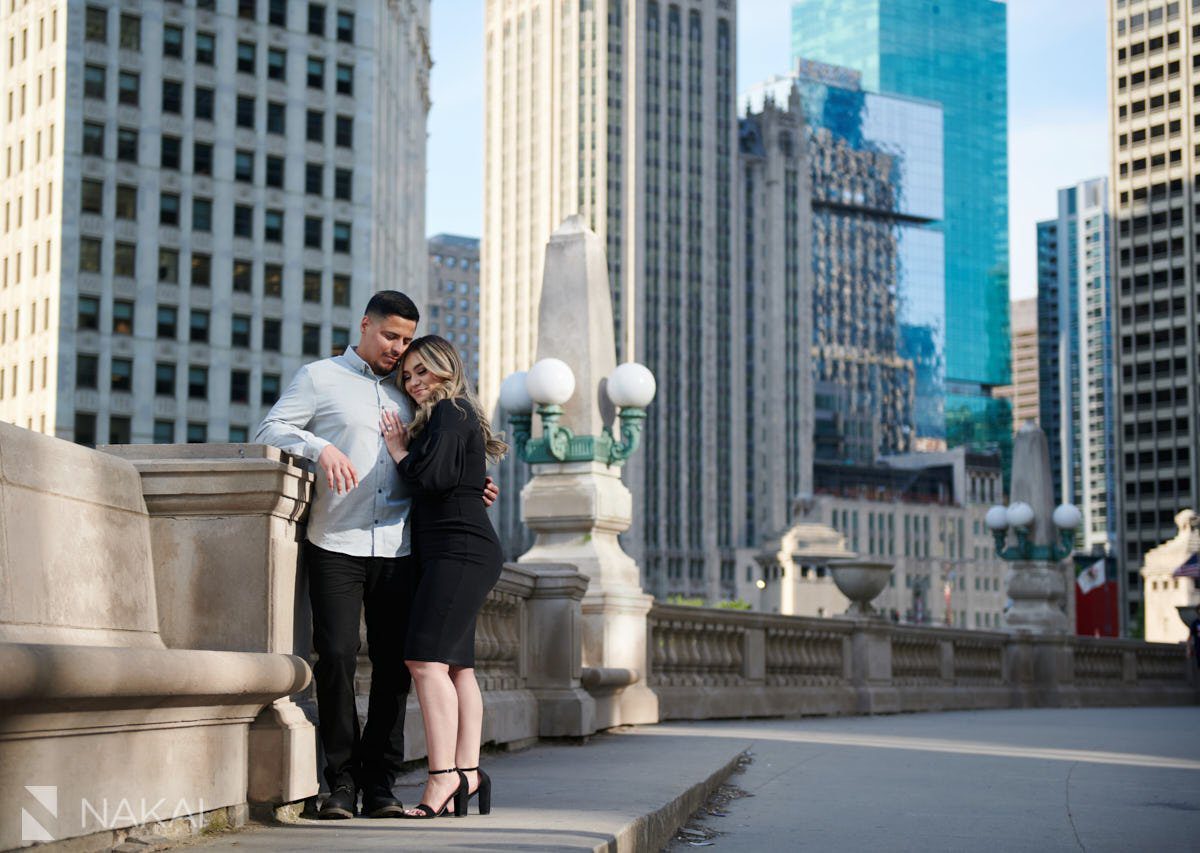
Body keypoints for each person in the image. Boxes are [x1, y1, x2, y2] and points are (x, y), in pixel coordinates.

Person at [255, 292, 497, 820]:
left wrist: (472, 484)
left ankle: (381, 784)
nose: (398, 350)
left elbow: (444, 451)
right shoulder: (320, 378)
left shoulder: (416, 389)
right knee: (337, 659)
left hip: (402, 547)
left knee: (395, 669)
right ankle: (340, 784)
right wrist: (322, 448)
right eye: (391, 337)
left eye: (407, 341)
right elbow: (269, 428)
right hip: (334, 542)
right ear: (365, 325)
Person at [379, 335, 507, 819]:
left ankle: (441, 779)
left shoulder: (450, 411)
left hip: (459, 550)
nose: (413, 383)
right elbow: (454, 478)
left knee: (424, 663)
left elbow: (428, 480)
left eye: (421, 371)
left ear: (446, 369)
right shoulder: (450, 416)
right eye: (407, 375)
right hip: (458, 549)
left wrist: (397, 448)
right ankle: (469, 774)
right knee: (457, 668)